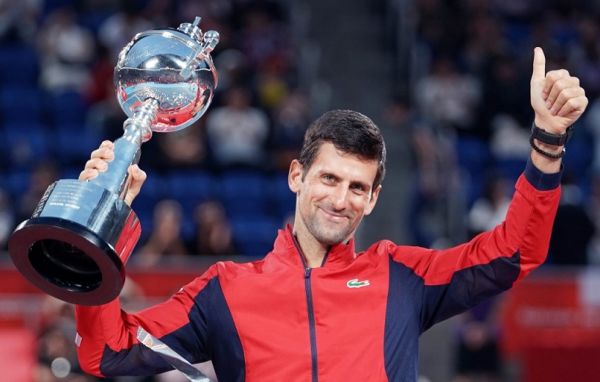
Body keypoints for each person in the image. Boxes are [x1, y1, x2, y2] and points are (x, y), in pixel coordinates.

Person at [74, 48, 587, 381]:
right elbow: (108, 353)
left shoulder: (403, 277)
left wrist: (547, 142)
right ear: (297, 176)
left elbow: (515, 251)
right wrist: (100, 229)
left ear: (374, 199)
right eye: (329, 179)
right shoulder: (226, 288)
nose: (342, 200)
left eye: (358, 187)